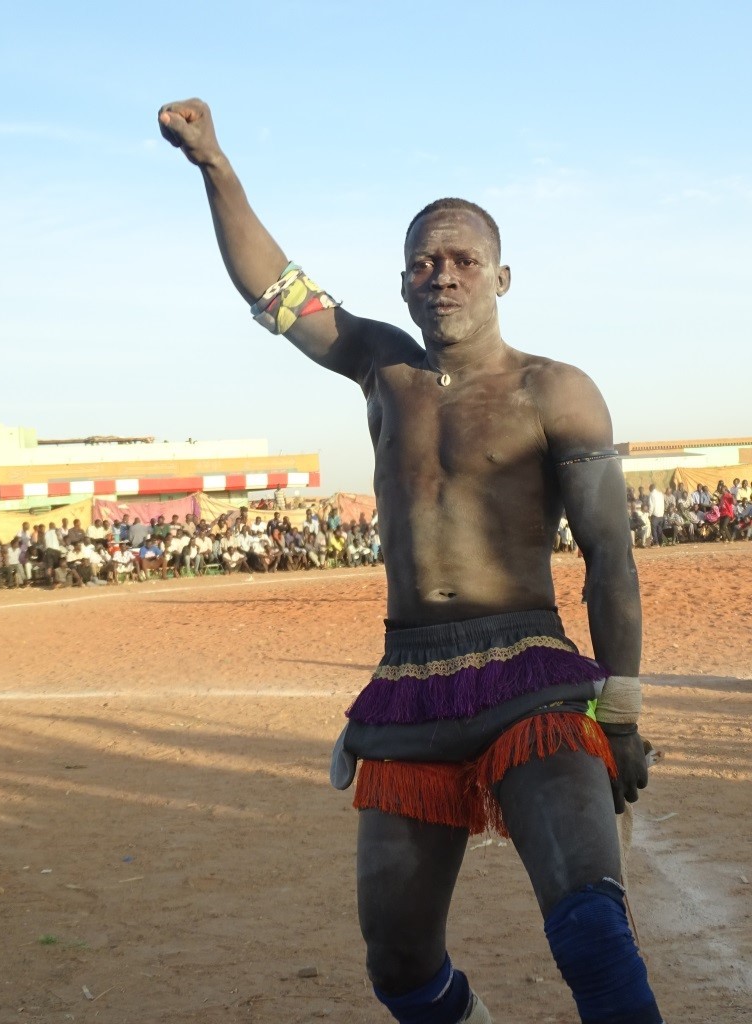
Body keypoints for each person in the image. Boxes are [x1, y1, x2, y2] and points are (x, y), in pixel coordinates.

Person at [160, 98, 662, 1024]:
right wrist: (215, 166)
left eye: (464, 259)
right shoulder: (381, 367)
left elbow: (608, 557)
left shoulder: (557, 390)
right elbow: (277, 291)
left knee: (591, 930)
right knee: (397, 962)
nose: (444, 276)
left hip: (532, 676)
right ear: (401, 285)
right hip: (408, 683)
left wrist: (621, 710)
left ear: (502, 276)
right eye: (425, 262)